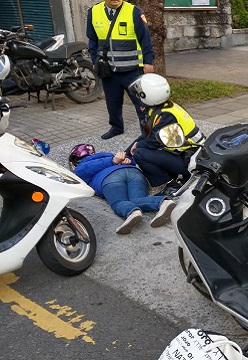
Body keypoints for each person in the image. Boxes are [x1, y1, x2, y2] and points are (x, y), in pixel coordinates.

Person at [70, 144, 176, 234]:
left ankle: (132, 212)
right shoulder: (111, 156)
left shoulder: (83, 165)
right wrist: (125, 161)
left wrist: (113, 161)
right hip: (134, 173)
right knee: (137, 199)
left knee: (119, 202)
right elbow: (132, 161)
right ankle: (164, 203)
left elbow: (81, 172)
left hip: (110, 178)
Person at [86, 0, 155, 140]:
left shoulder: (134, 12)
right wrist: (94, 61)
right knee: (112, 102)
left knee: (141, 104)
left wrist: (148, 62)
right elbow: (92, 40)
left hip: (133, 69)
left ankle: (147, 132)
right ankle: (116, 127)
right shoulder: (93, 12)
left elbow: (145, 39)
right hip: (108, 70)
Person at [126, 73, 204, 196]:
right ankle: (177, 176)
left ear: (149, 96)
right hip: (188, 154)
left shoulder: (166, 115)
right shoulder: (164, 107)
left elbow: (153, 142)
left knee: (140, 154)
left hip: (191, 161)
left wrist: (136, 148)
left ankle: (170, 185)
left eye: (139, 94)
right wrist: (127, 152)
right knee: (140, 148)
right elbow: (150, 136)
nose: (137, 97)